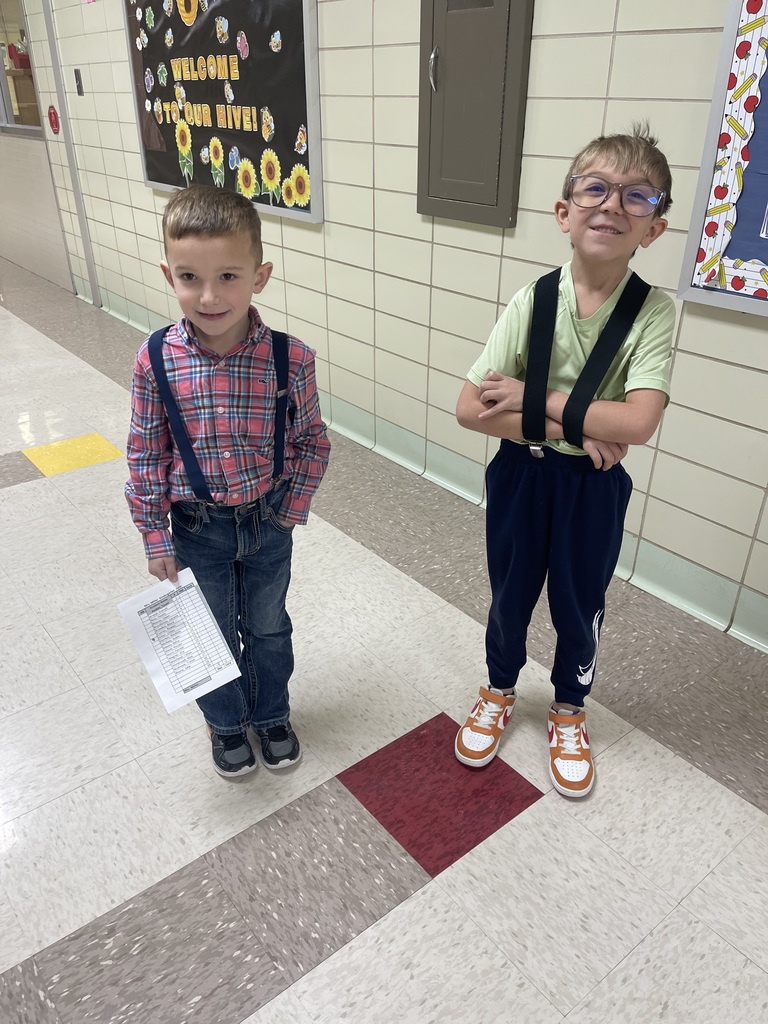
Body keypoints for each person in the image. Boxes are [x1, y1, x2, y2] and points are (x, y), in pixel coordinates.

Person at [453, 125, 675, 797]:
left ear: (654, 228)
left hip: (592, 486)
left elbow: (637, 424)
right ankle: (499, 688)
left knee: (580, 602)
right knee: (510, 592)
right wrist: (578, 424)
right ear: (564, 212)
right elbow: (469, 408)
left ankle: (570, 707)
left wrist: (536, 399)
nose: (612, 206)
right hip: (520, 474)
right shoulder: (534, 300)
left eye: (636, 197)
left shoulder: (653, 313)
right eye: (595, 189)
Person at [126, 185, 330, 779]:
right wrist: (154, 537)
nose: (209, 296)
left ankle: (271, 714)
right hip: (196, 527)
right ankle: (225, 724)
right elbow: (145, 453)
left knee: (268, 628)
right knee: (209, 632)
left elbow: (311, 441)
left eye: (229, 277)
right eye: (190, 277)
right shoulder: (155, 359)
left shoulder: (291, 358)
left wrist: (289, 509)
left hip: (268, 521)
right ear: (168, 274)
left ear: (260, 277)